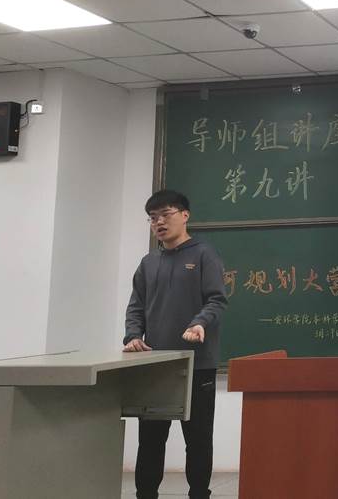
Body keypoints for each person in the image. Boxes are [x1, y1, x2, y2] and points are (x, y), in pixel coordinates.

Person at [123, 189, 228, 499]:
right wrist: (133, 335)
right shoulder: (148, 262)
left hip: (198, 364)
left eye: (165, 214)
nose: (159, 222)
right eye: (153, 217)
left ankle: (199, 493)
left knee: (198, 439)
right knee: (151, 439)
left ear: (185, 215)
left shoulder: (204, 254)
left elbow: (217, 299)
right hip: (156, 364)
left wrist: (199, 322)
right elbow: (136, 306)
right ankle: (145, 494)